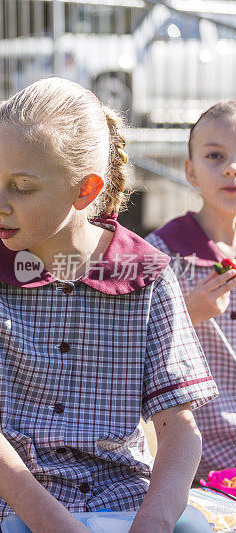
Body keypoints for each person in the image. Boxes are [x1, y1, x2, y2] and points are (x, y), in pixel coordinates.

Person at [0, 78, 217, 533]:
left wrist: (154, 522)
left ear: (84, 191)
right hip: (12, 506)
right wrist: (57, 525)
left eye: (22, 187)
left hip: (126, 497)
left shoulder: (150, 274)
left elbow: (179, 430)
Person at [146, 100, 236, 480]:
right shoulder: (161, 252)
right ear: (190, 171)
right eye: (215, 155)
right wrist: (188, 312)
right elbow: (125, 346)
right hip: (199, 458)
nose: (231, 168)